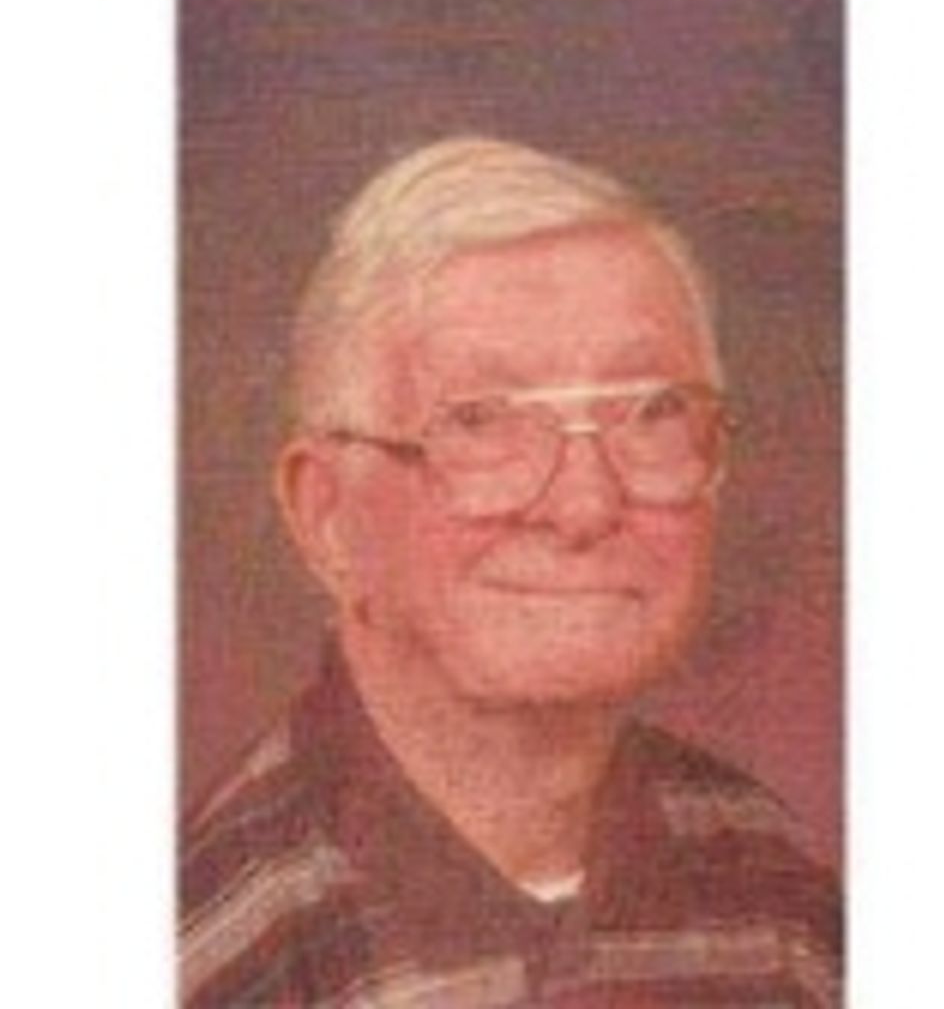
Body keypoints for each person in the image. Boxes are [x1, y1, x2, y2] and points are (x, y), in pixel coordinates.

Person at [179, 137, 841, 1007]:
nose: (585, 505)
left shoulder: (773, 883)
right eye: (481, 422)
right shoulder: (214, 949)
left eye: (652, 412)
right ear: (328, 516)